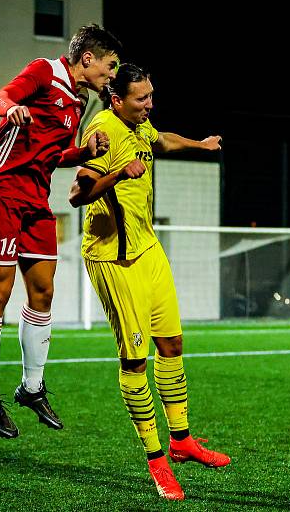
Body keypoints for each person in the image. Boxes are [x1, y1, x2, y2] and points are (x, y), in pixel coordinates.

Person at [68, 64, 229, 501]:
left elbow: (163, 139)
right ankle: (157, 461)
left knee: (172, 344)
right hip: (113, 258)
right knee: (135, 362)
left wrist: (199, 143)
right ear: (117, 100)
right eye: (142, 98)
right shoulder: (103, 130)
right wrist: (119, 174)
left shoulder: (137, 124)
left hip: (147, 249)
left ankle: (182, 442)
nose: (150, 104)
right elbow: (77, 194)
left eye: (151, 95)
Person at [0, 24, 122, 439]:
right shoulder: (44, 71)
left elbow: (52, 155)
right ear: (87, 58)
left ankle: (31, 387)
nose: (111, 76)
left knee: (44, 290)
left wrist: (83, 153)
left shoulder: (80, 98)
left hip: (36, 200)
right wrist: (9, 108)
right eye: (109, 67)